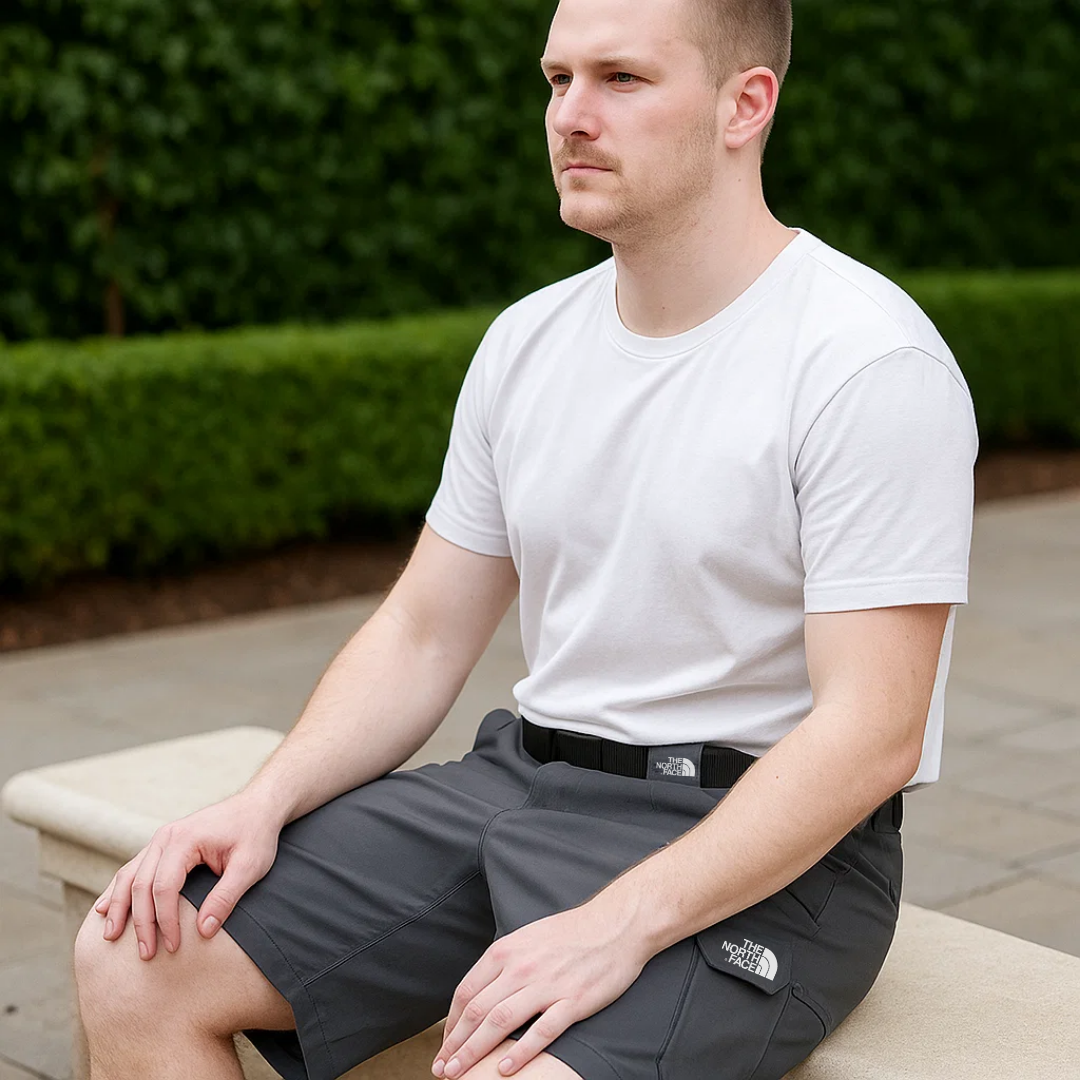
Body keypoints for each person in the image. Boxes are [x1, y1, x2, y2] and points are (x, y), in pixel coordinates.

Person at [74, 0, 979, 1077]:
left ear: (746, 105)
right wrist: (264, 799)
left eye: (621, 79)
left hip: (770, 847)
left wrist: (622, 921)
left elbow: (873, 732)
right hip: (522, 783)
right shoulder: (527, 342)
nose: (570, 115)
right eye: (558, 79)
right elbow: (420, 632)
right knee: (134, 959)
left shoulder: (867, 363)